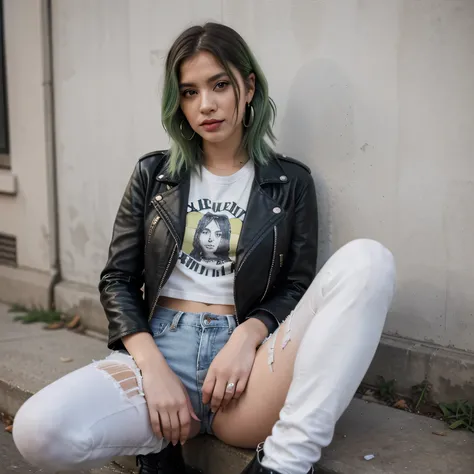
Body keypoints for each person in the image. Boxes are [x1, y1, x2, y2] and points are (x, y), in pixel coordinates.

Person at [12, 22, 395, 474]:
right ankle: (157, 443)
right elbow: (117, 279)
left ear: (248, 87)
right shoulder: (154, 175)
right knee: (36, 430)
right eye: (189, 92)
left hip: (251, 369)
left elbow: (296, 285)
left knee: (371, 260)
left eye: (218, 85)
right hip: (161, 349)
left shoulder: (290, 183)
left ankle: (285, 463)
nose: (206, 105)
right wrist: (153, 369)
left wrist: (247, 335)